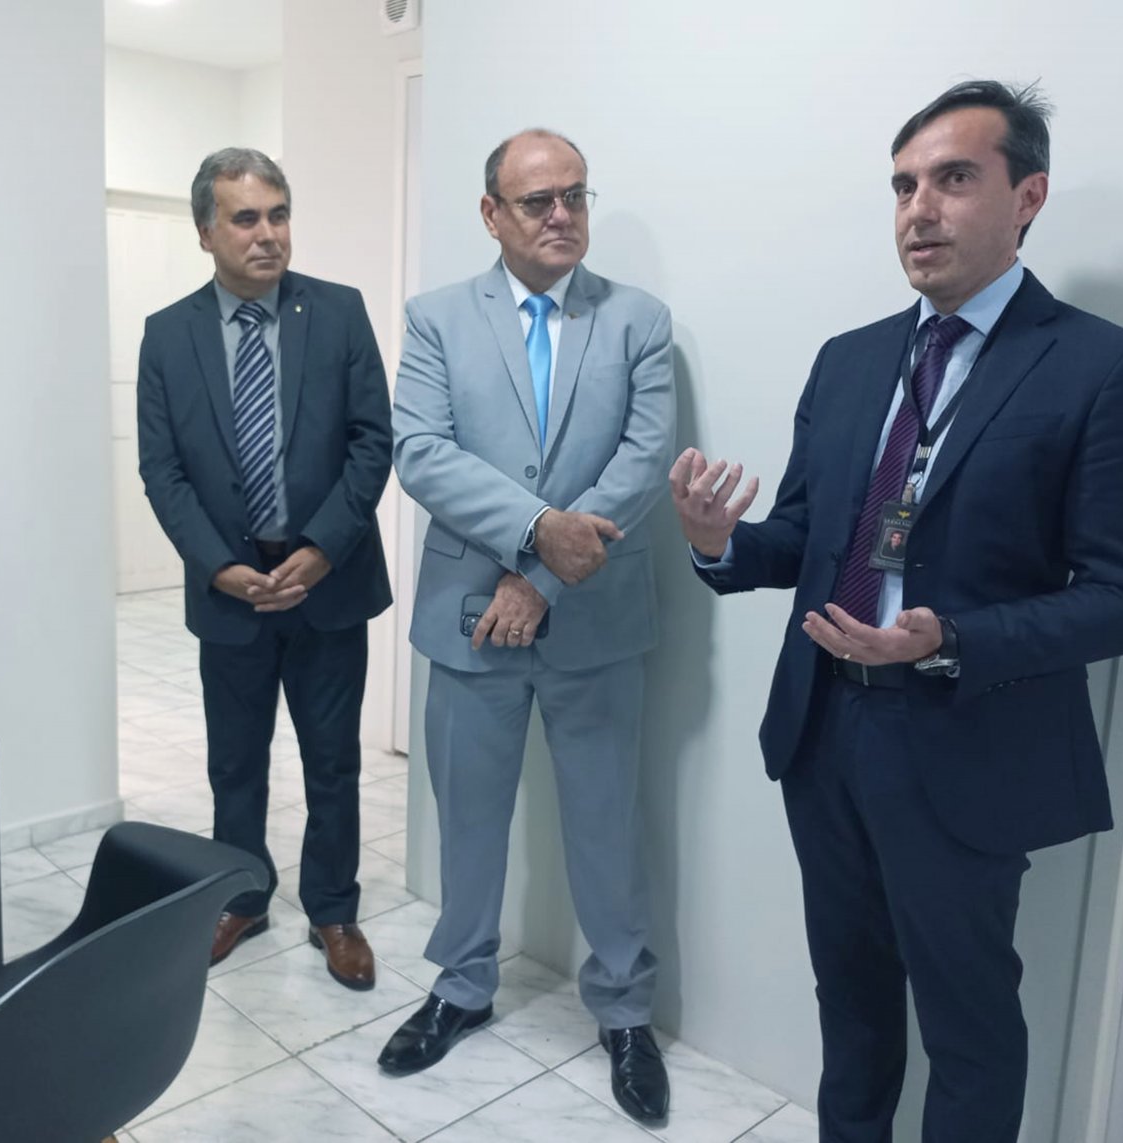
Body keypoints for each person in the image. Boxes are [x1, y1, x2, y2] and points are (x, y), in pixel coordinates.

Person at [671, 81, 1123, 1142]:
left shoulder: (1099, 367)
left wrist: (952, 639)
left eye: (953, 179)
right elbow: (804, 539)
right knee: (851, 1005)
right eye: (903, 186)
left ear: (1027, 196)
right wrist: (717, 541)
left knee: (969, 1027)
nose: (919, 209)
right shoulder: (852, 359)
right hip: (826, 733)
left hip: (964, 742)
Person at [384, 129, 674, 1124]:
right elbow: (422, 453)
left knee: (605, 824)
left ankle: (624, 1011)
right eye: (539, 200)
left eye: (575, 196)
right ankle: (461, 986)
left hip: (593, 623)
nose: (562, 215)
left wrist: (542, 578)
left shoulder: (637, 321)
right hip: (471, 620)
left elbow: (642, 461)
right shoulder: (435, 320)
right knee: (467, 821)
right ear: (491, 214)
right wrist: (537, 531)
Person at [136, 147, 393, 990]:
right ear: (205, 229)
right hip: (232, 590)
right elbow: (162, 469)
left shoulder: (340, 312)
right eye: (245, 218)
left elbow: (372, 442)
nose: (268, 234)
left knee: (333, 761)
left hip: (328, 580)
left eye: (278, 215)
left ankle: (334, 908)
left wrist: (321, 549)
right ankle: (242, 895)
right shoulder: (167, 334)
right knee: (235, 762)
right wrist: (218, 567)